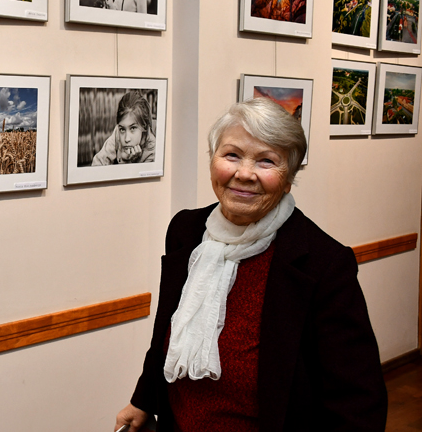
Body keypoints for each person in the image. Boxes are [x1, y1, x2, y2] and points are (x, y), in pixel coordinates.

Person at [115, 98, 387, 432]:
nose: (244, 174)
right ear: (213, 160)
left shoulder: (324, 264)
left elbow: (357, 401)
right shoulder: (185, 232)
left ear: (288, 178)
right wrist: (144, 399)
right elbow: (168, 329)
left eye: (266, 161)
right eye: (232, 155)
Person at [92, 92, 156, 165]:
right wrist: (124, 161)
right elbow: (97, 163)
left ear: (144, 127)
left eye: (133, 128)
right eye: (122, 129)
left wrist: (128, 163)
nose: (126, 139)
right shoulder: (118, 132)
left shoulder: (152, 151)